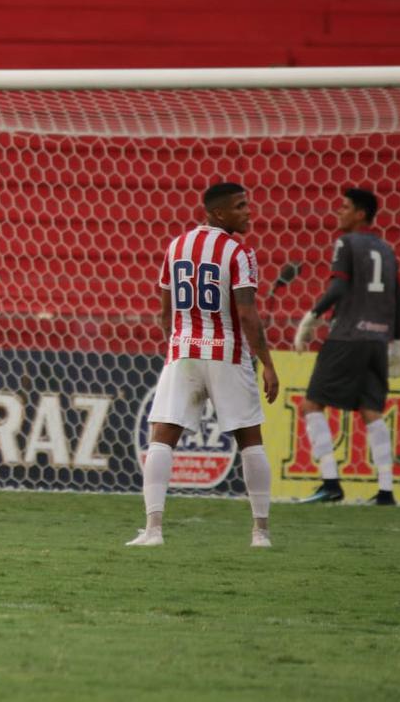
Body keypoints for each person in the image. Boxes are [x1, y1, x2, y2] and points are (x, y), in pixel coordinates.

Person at [127, 182, 278, 548]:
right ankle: (260, 533)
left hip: (183, 352)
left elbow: (164, 312)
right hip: (226, 352)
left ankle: (153, 530)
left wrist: (180, 340)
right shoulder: (239, 253)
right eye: (241, 206)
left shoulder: (175, 246)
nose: (248, 211)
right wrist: (268, 364)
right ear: (218, 213)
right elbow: (247, 313)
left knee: (162, 436)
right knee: (249, 439)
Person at [293, 188, 400, 506]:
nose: (338, 212)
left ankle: (330, 483)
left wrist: (311, 318)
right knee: (372, 411)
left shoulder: (346, 243)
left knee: (311, 405)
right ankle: (385, 490)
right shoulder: (387, 249)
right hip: (378, 340)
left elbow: (338, 285)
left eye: (345, 207)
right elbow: (398, 299)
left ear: (361, 214)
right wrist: (397, 340)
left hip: (347, 337)